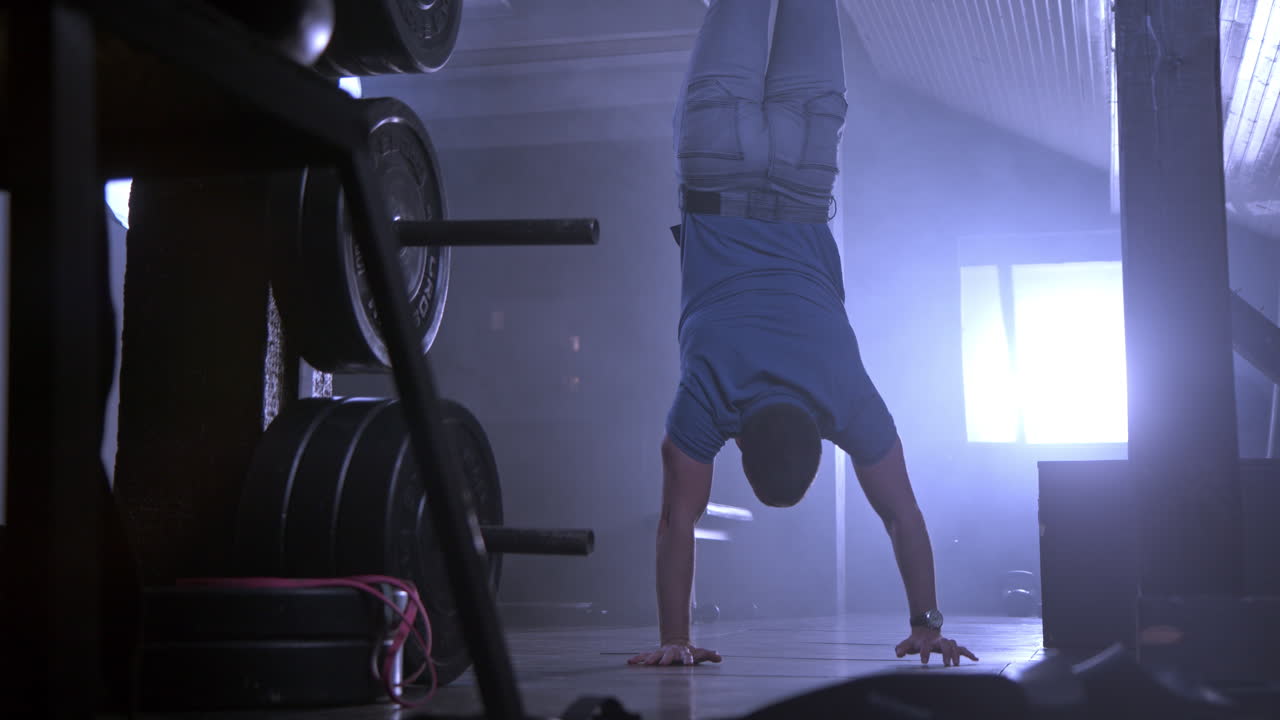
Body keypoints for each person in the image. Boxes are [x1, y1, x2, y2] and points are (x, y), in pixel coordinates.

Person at [627, 0, 977, 668]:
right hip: (716, 161)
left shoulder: (847, 403)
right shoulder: (708, 402)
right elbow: (677, 521)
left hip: (805, 171)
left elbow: (903, 515)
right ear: (738, 445)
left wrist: (927, 622)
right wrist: (675, 639)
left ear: (822, 439)